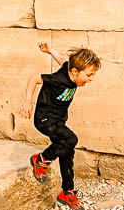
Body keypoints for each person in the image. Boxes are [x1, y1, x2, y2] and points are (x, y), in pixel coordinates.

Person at [19, 43, 100, 210]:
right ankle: (40, 160)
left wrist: (50, 51)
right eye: (88, 75)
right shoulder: (58, 80)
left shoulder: (69, 69)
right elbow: (34, 78)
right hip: (45, 119)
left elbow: (63, 60)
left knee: (67, 151)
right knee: (71, 139)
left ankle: (67, 192)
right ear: (75, 72)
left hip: (58, 121)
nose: (91, 79)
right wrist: (27, 101)